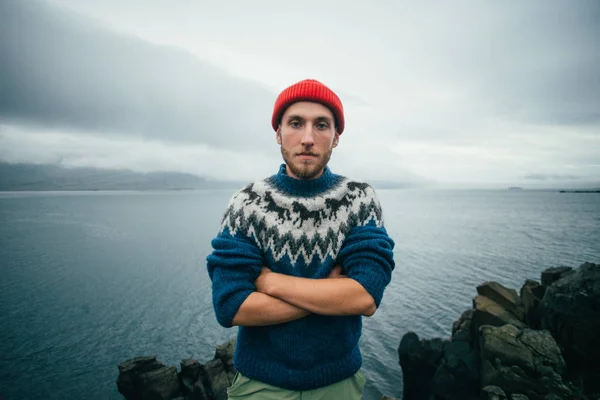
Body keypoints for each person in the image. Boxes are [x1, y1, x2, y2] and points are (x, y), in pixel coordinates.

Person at [206, 79, 396, 399]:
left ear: (336, 137)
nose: (308, 138)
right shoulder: (247, 203)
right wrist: (331, 292)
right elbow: (231, 307)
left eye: (321, 125)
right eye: (296, 123)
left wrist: (270, 283)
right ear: (279, 133)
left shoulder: (360, 199)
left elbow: (364, 297)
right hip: (260, 385)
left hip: (338, 384)